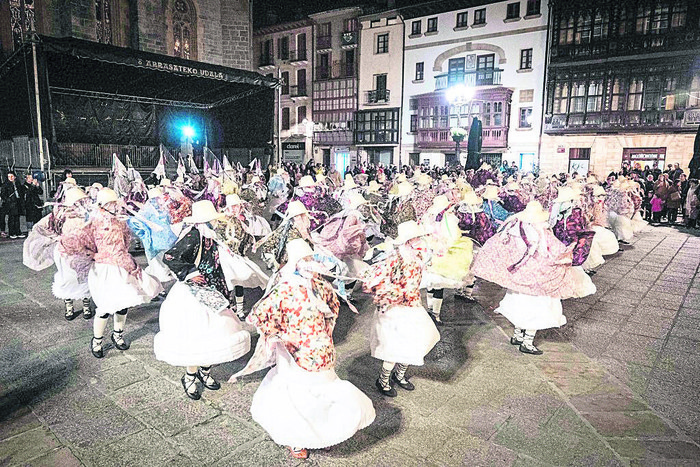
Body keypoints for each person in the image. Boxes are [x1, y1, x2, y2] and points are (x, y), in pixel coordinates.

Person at [234, 239, 375, 459]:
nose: (309, 263)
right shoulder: (284, 287)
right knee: (298, 392)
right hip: (293, 350)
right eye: (304, 260)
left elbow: (333, 305)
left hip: (320, 348)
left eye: (310, 258)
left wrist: (325, 328)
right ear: (294, 263)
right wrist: (276, 334)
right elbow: (260, 314)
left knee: (325, 387)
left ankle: (325, 432)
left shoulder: (320, 284)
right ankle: (296, 438)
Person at [156, 200, 256, 400]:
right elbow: (171, 257)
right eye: (212, 220)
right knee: (197, 334)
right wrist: (191, 273)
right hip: (193, 294)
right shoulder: (194, 235)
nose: (215, 222)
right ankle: (190, 376)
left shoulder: (210, 235)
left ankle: (205, 371)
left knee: (215, 332)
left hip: (213, 291)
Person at [361, 220, 440, 397]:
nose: (419, 240)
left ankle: (399, 375)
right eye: (415, 238)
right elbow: (374, 280)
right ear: (408, 241)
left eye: (419, 237)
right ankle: (383, 380)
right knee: (394, 346)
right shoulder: (394, 258)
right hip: (394, 309)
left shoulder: (418, 256)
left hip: (413, 305)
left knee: (416, 341)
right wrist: (392, 292)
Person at [87, 188, 162, 359]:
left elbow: (126, 241)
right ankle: (97, 340)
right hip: (104, 268)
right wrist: (96, 256)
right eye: (110, 204)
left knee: (124, 301)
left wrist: (126, 260)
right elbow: (86, 243)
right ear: (102, 205)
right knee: (105, 306)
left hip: (121, 266)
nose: (114, 206)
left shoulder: (120, 221)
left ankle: (118, 334)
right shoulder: (93, 221)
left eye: (114, 203)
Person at [1, 170, 26, 238]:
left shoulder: (17, 184)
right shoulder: (5, 185)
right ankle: (12, 233)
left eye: (12, 176)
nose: (10, 178)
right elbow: (3, 195)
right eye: (9, 176)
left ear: (15, 177)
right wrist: (8, 200)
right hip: (10, 204)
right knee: (11, 218)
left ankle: (18, 232)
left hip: (17, 202)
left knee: (17, 218)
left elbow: (21, 192)